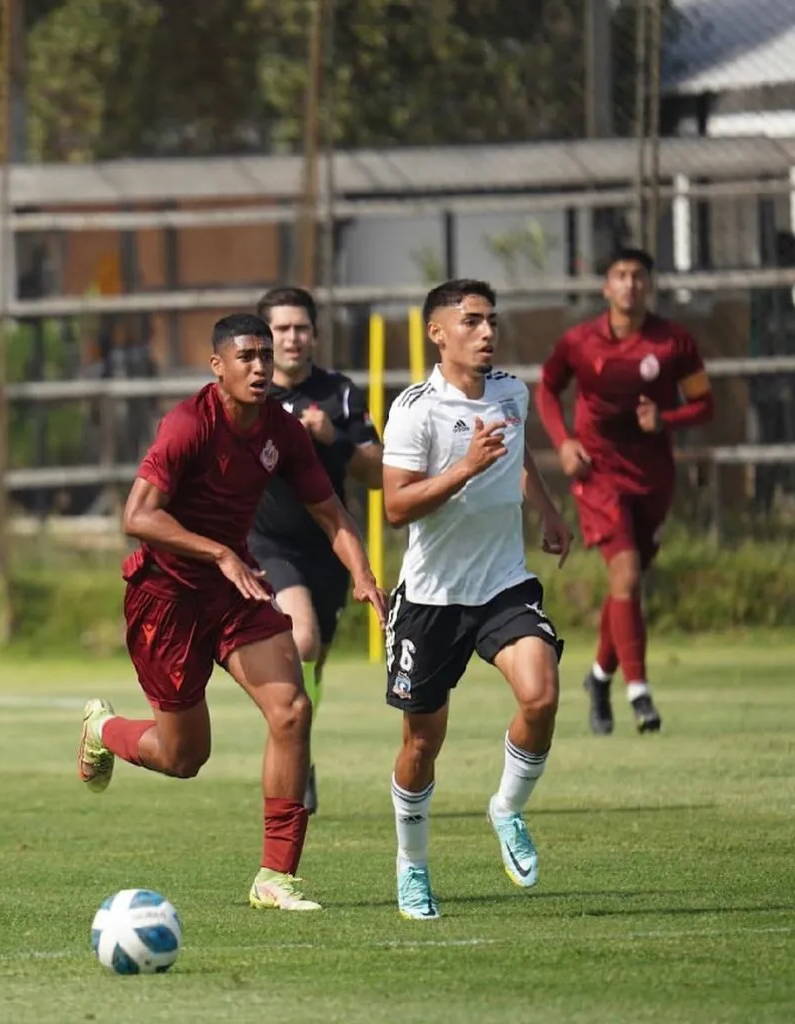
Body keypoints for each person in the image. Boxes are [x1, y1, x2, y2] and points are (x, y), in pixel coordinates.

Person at [76, 313, 387, 912]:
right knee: (183, 757)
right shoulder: (188, 423)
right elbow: (137, 517)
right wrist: (218, 550)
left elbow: (331, 514)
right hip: (166, 598)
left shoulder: (283, 430)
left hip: (233, 590)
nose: (260, 367)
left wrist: (364, 575)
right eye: (246, 356)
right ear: (217, 366)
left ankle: (276, 875)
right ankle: (102, 731)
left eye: (265, 356)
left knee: (292, 710)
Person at [382, 278, 573, 920]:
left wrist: (547, 511)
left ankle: (508, 809)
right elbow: (396, 506)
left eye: (491, 320)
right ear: (438, 333)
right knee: (421, 745)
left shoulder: (511, 392)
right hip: (433, 599)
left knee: (541, 694)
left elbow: (518, 460)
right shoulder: (414, 409)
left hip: (502, 583)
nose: (487, 332)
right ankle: (412, 867)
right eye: (471, 321)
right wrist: (462, 467)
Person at [535, 247, 714, 736]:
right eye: (620, 275)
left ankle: (598, 677)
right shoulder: (579, 341)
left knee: (625, 589)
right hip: (597, 475)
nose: (630, 284)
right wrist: (564, 442)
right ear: (605, 287)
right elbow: (546, 390)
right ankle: (640, 692)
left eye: (638, 276)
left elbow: (704, 404)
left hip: (653, 475)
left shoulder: (674, 342)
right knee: (627, 575)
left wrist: (668, 418)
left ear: (649, 285)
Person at [249, 287, 383, 815]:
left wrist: (334, 438)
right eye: (281, 329)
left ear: (315, 334)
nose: (292, 338)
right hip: (267, 541)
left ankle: (297, 745)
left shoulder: (340, 394)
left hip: (328, 543)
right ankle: (294, 751)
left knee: (316, 657)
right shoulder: (251, 392)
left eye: (300, 327)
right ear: (264, 338)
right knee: (300, 638)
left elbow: (378, 476)